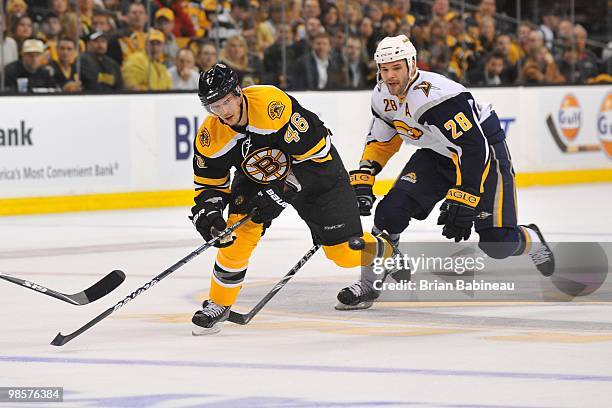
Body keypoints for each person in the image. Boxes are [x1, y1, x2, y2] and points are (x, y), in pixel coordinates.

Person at [336, 35, 555, 309]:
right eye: (385, 69)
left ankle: (532, 239)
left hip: (485, 155)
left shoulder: (438, 98)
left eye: (397, 68)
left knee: (497, 243)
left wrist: (466, 196)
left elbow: (475, 149)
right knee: (389, 213)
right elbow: (382, 139)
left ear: (412, 65)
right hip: (437, 154)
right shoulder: (382, 95)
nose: (390, 76)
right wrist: (366, 174)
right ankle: (369, 285)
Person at [189, 63, 402, 333]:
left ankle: (387, 250)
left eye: (226, 102)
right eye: (214, 106)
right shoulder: (210, 137)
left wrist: (279, 193)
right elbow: (208, 185)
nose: (222, 111)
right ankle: (218, 304)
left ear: (239, 92)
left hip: (318, 174)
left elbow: (317, 154)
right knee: (234, 236)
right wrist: (209, 216)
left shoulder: (270, 105)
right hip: (259, 178)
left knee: (344, 253)